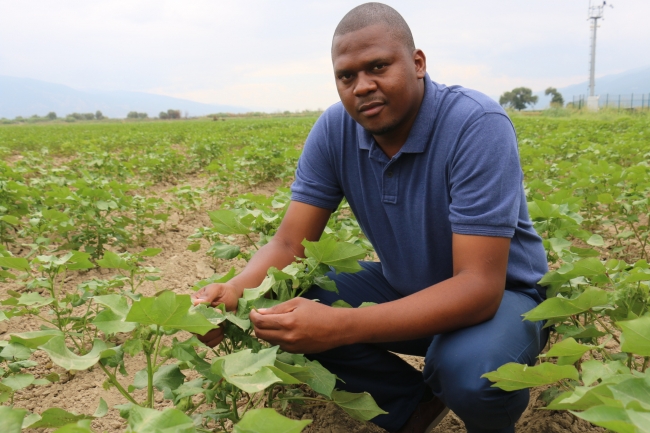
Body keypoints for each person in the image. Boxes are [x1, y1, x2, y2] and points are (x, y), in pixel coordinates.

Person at [192, 3, 549, 433]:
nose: (362, 86)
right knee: (273, 301)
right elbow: (289, 245)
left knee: (470, 372)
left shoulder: (476, 124)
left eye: (378, 66)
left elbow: (478, 287)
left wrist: (340, 326)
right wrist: (233, 291)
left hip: (502, 300)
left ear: (417, 63)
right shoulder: (335, 129)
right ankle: (413, 406)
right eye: (347, 76)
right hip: (404, 287)